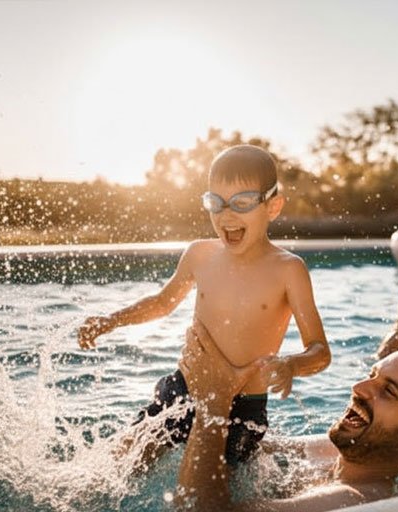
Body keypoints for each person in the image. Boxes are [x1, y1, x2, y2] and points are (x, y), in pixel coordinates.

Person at [77, 144, 331, 464]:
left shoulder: (288, 270)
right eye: (216, 203)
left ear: (273, 206)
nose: (226, 215)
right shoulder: (200, 254)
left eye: (241, 203)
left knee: (211, 495)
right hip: (182, 388)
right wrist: (111, 320)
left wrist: (291, 365)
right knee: (121, 466)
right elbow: (161, 302)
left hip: (242, 407)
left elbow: (320, 351)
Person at [176, 321, 398, 512]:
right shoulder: (336, 451)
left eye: (389, 391)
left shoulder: (354, 500)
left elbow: (196, 510)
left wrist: (212, 405)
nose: (359, 388)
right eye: (372, 375)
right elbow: (247, 446)